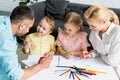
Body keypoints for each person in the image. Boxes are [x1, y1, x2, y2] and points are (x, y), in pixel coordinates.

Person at [0, 6, 53, 80]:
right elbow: (17, 76)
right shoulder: (6, 41)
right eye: (29, 27)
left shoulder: (3, 20)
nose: (28, 31)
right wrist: (40, 66)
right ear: (22, 26)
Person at [82, 4, 120, 79]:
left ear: (104, 22)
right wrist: (92, 54)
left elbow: (113, 61)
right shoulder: (94, 32)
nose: (89, 28)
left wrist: (101, 55)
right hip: (101, 67)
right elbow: (98, 51)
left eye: (93, 26)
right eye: (89, 25)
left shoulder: (117, 33)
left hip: (116, 72)